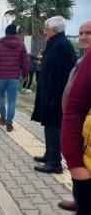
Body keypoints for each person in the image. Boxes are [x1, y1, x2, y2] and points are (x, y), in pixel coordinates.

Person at [31, 16, 77, 174]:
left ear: (55, 30)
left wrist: (52, 98)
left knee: (53, 128)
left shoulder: (61, 46)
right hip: (49, 94)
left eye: (47, 29)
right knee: (49, 126)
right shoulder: (55, 43)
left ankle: (55, 162)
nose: (44, 32)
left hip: (55, 97)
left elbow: (59, 76)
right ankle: (49, 154)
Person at [58, 20, 91, 213]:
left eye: (88, 33)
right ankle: (78, 196)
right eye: (81, 33)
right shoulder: (84, 60)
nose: (83, 37)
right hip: (80, 136)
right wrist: (76, 168)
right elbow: (76, 103)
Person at [0, 24, 29, 132]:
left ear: (6, 32)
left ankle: (2, 118)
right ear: (15, 33)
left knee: (1, 97)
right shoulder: (21, 45)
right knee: (12, 100)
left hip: (1, 76)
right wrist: (25, 75)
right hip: (14, 77)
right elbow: (25, 62)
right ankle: (9, 124)